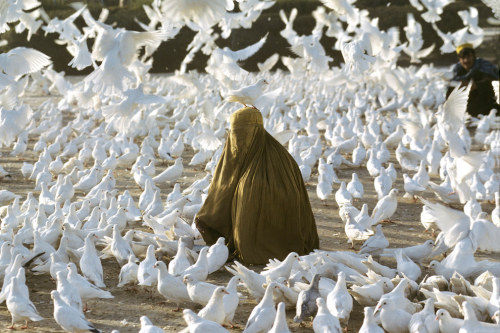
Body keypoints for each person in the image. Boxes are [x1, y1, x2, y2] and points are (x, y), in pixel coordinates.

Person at [195, 107, 319, 265]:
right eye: (235, 133)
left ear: (257, 131)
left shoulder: (277, 160)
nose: (238, 140)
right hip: (291, 244)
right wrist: (207, 217)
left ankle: (257, 246)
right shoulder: (279, 155)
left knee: (248, 192)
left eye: (244, 133)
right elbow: (222, 190)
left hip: (270, 241)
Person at [448, 43, 499, 117]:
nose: (466, 60)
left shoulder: (485, 67)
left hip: (488, 109)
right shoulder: (456, 72)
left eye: (468, 57)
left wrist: (476, 85)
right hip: (464, 112)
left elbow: (491, 83)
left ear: (474, 56)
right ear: (459, 59)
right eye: (463, 58)